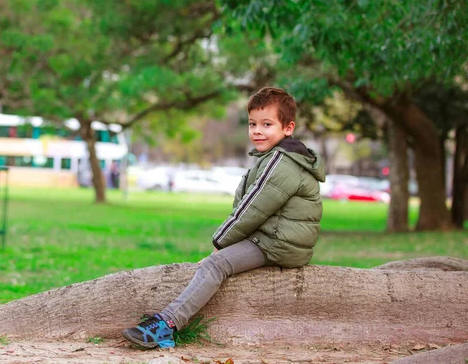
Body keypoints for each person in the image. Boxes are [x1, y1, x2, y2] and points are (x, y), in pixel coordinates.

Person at [122, 87, 326, 349]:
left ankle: (167, 325)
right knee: (218, 260)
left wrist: (219, 246)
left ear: (288, 128)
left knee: (215, 265)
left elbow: (252, 209)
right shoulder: (278, 157)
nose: (257, 131)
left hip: (278, 243)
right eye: (253, 124)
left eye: (267, 124)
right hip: (277, 238)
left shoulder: (281, 162)